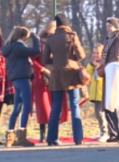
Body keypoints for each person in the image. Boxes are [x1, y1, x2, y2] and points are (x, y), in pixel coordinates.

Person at [43, 13, 85, 146]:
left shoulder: (50, 39)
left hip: (56, 74)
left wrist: (56, 61)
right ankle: (78, 138)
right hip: (71, 72)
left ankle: (51, 138)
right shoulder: (72, 36)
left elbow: (45, 60)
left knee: (56, 106)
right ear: (67, 24)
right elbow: (81, 55)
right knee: (74, 104)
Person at [30, 21, 69, 143]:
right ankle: (42, 133)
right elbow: (32, 60)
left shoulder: (57, 41)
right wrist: (42, 69)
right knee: (43, 108)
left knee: (56, 105)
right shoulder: (39, 42)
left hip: (56, 76)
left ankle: (53, 133)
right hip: (42, 78)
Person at [2, 26, 40, 147]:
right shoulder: (18, 47)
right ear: (21, 37)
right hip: (22, 79)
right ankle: (21, 136)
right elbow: (35, 51)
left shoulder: (8, 47)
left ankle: (10, 136)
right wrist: (35, 38)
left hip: (16, 80)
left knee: (17, 108)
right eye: (26, 38)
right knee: (27, 107)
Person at [98, 17, 119, 142]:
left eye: (110, 25)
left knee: (114, 103)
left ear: (116, 26)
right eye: (107, 26)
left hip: (115, 73)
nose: (108, 28)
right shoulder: (109, 39)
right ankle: (113, 133)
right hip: (108, 72)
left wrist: (104, 68)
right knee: (108, 104)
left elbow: (118, 57)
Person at [86, 44, 109, 141]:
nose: (95, 55)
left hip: (102, 92)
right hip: (95, 93)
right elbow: (89, 75)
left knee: (100, 113)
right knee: (97, 114)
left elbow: (102, 77)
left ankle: (105, 132)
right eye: (94, 53)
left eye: (98, 53)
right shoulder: (93, 63)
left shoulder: (104, 64)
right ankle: (101, 131)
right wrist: (91, 65)